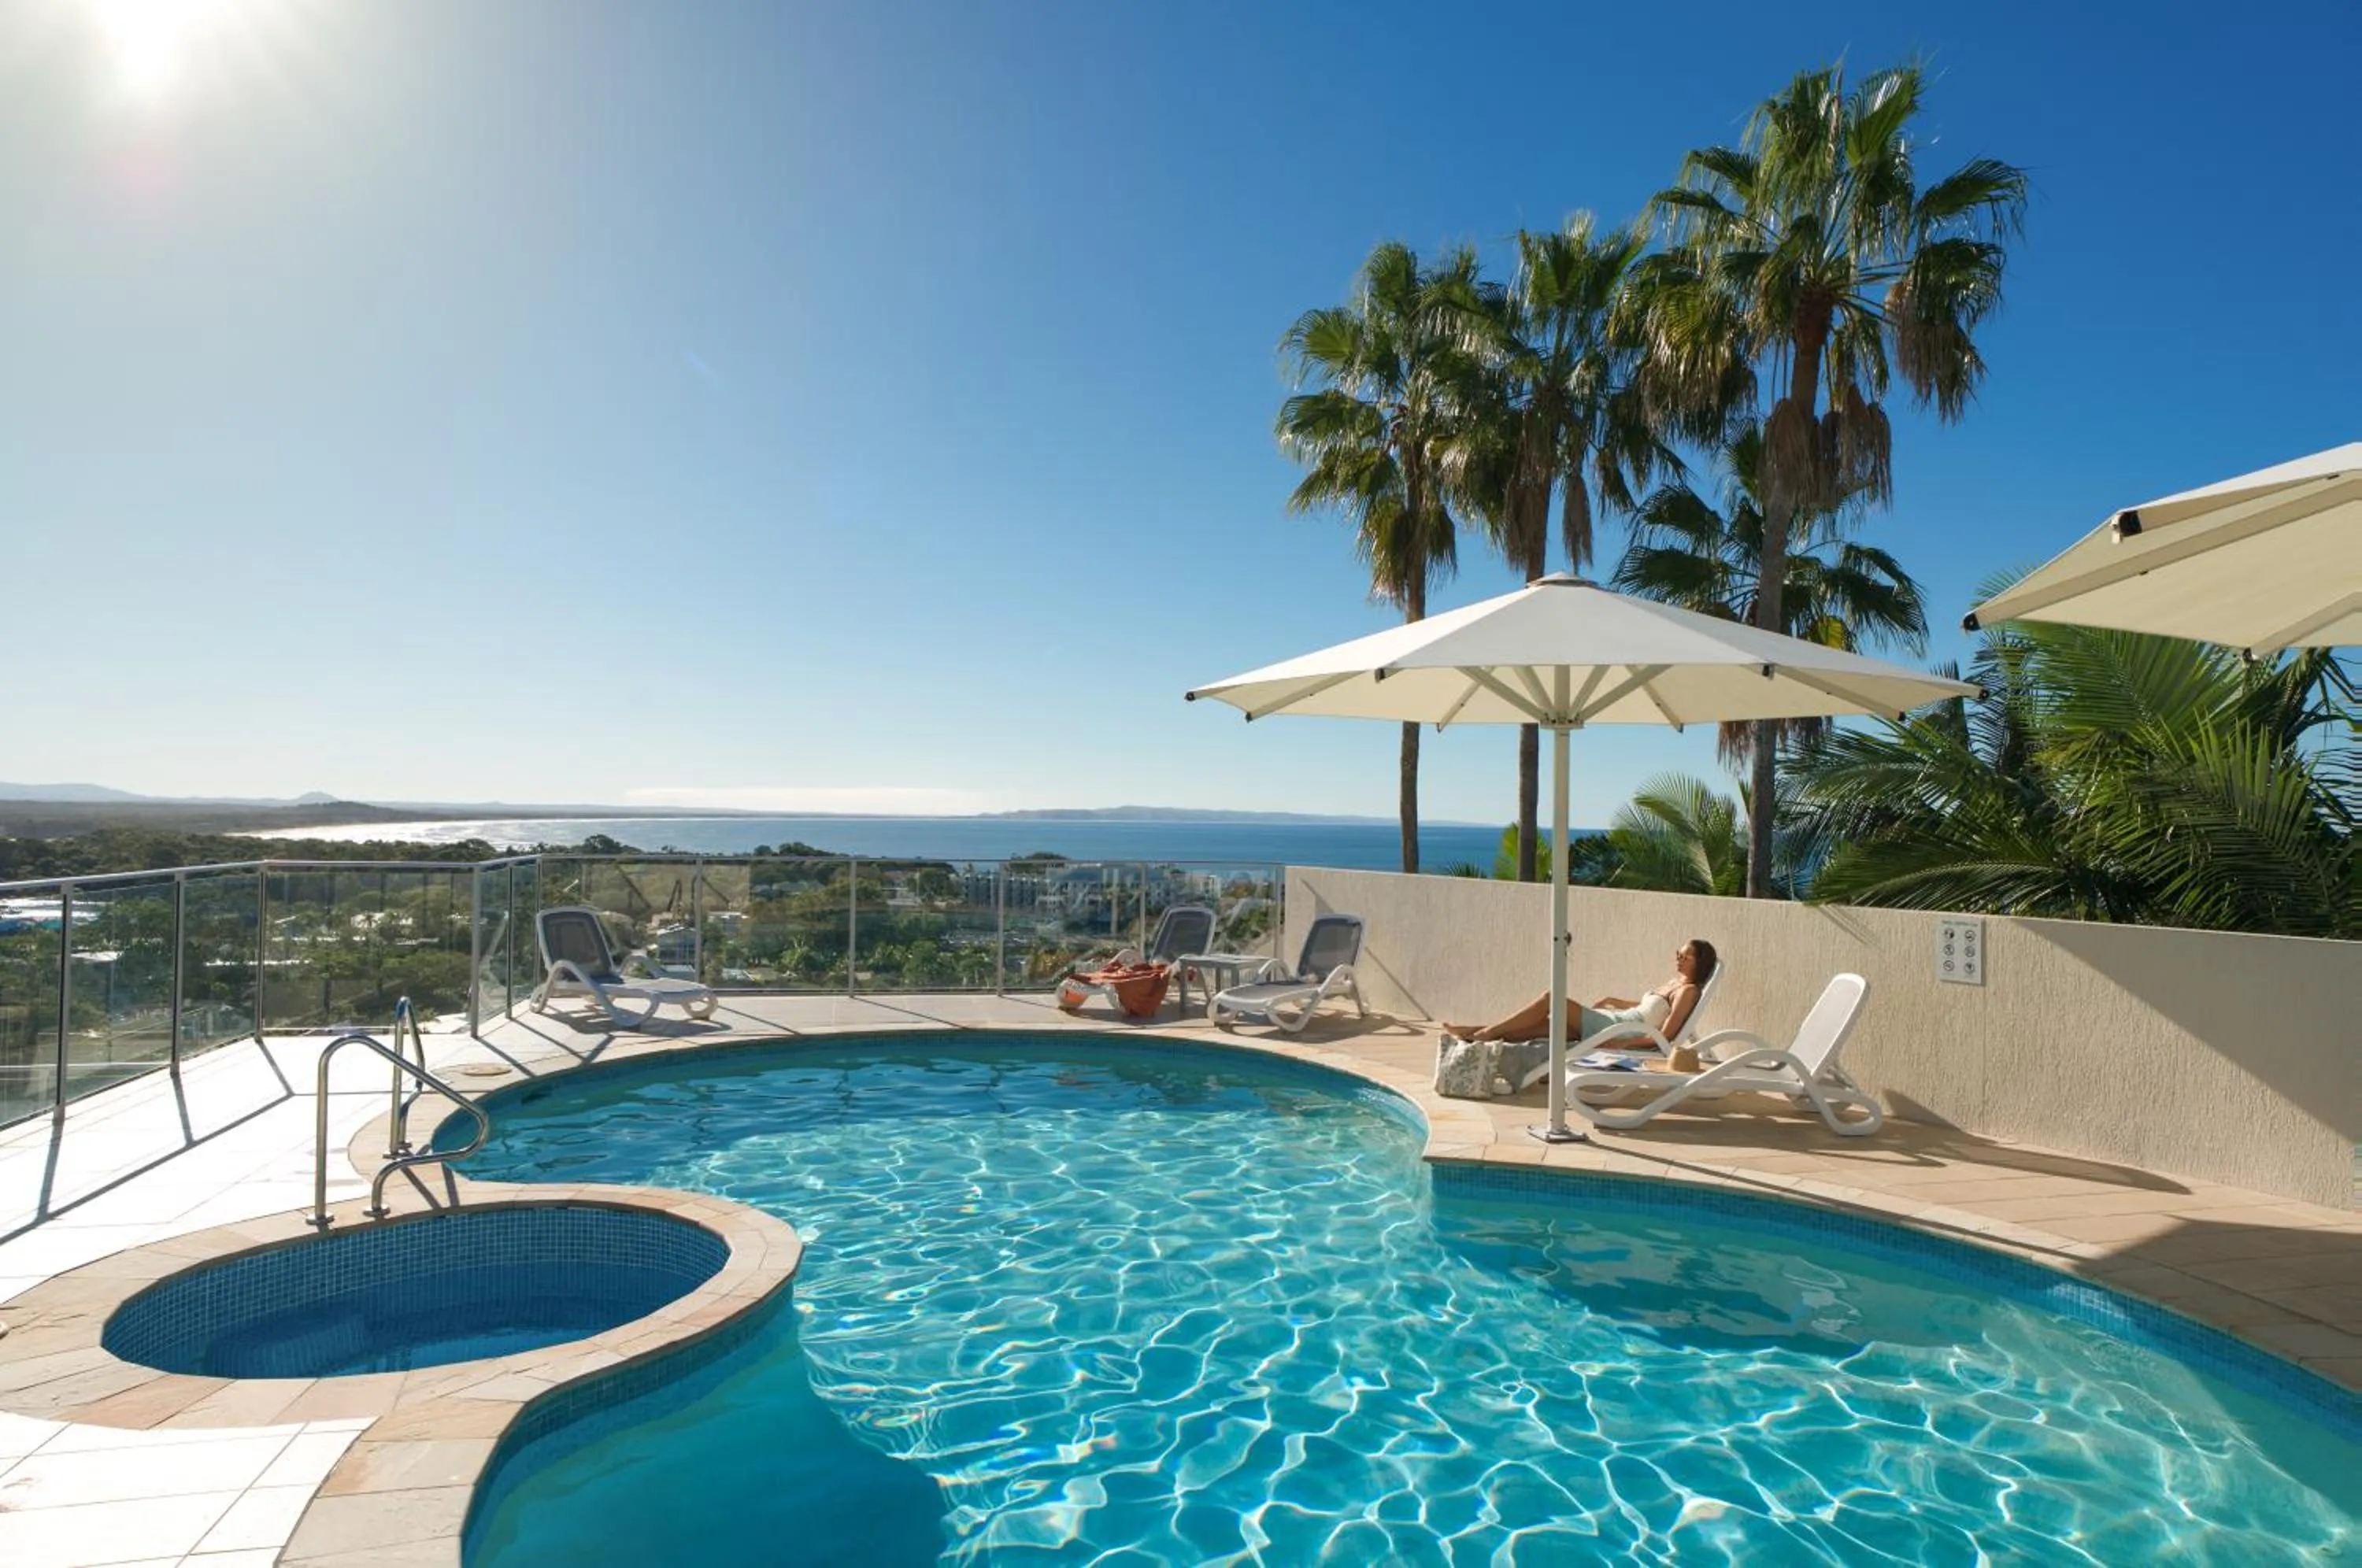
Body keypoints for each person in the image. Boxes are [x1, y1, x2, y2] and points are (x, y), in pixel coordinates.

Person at [1442, 939, 1718, 1048]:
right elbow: (1648, 1008)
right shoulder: (1674, 982)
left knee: (1552, 999)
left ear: (1699, 963)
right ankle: (1476, 1033)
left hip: (1618, 1030)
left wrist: (1622, 1045)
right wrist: (1614, 1000)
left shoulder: (1689, 991)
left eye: (1685, 956)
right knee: (1544, 1028)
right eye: (1678, 954)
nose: (1678, 958)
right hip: (1616, 1019)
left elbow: (1666, 1035)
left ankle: (1485, 1033)